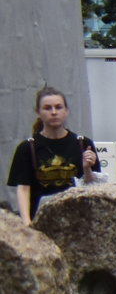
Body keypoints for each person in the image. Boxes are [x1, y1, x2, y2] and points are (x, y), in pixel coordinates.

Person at [9, 86, 96, 218]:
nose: (54, 112)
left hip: (78, 220)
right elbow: (23, 188)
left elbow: (95, 186)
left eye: (58, 107)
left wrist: (87, 169)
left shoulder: (83, 144)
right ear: (38, 112)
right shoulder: (27, 147)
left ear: (66, 111)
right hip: (40, 219)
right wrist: (26, 223)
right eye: (47, 108)